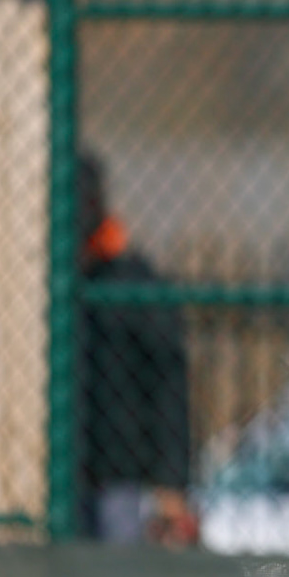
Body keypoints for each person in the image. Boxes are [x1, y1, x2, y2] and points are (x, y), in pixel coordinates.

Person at [78, 153, 196, 547]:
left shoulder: (133, 281)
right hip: (64, 473)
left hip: (122, 477)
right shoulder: (50, 279)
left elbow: (169, 383)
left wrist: (171, 481)